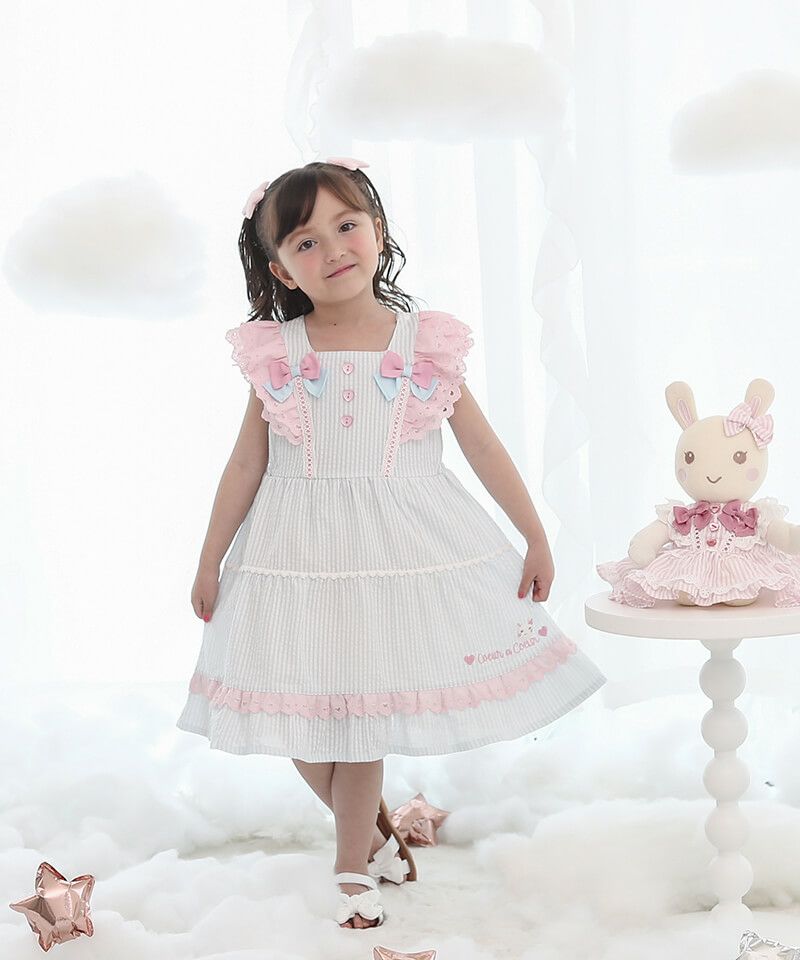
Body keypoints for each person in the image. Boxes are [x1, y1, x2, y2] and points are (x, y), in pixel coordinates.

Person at [176, 156, 607, 929]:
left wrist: (535, 533)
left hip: (398, 551)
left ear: (377, 231)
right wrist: (210, 558)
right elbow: (245, 464)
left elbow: (482, 447)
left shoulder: (423, 344)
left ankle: (350, 864)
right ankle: (372, 834)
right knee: (297, 712)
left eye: (346, 225)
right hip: (294, 555)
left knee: (361, 716)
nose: (332, 248)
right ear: (281, 269)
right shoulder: (279, 352)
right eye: (305, 242)